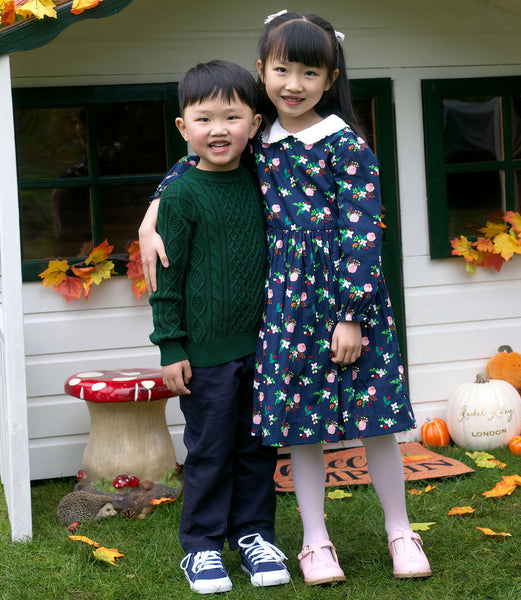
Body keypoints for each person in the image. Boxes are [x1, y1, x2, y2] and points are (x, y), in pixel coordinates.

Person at [140, 11, 431, 584]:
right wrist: (154, 206)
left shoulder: (345, 144)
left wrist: (352, 315)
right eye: (281, 70)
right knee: (300, 424)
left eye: (308, 72)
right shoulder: (260, 138)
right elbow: (201, 160)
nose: (293, 84)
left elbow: (364, 233)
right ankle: (315, 543)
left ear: (330, 78)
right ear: (262, 72)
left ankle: (401, 530)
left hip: (349, 301)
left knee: (374, 422)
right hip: (287, 307)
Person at [148, 60, 290, 595]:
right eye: (204, 119)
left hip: (263, 345)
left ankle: (254, 536)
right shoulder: (182, 195)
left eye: (231, 116)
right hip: (205, 353)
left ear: (254, 123)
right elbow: (168, 279)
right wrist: (171, 345)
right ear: (184, 129)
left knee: (257, 448)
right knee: (210, 449)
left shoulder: (264, 182)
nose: (219, 129)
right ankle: (203, 547)